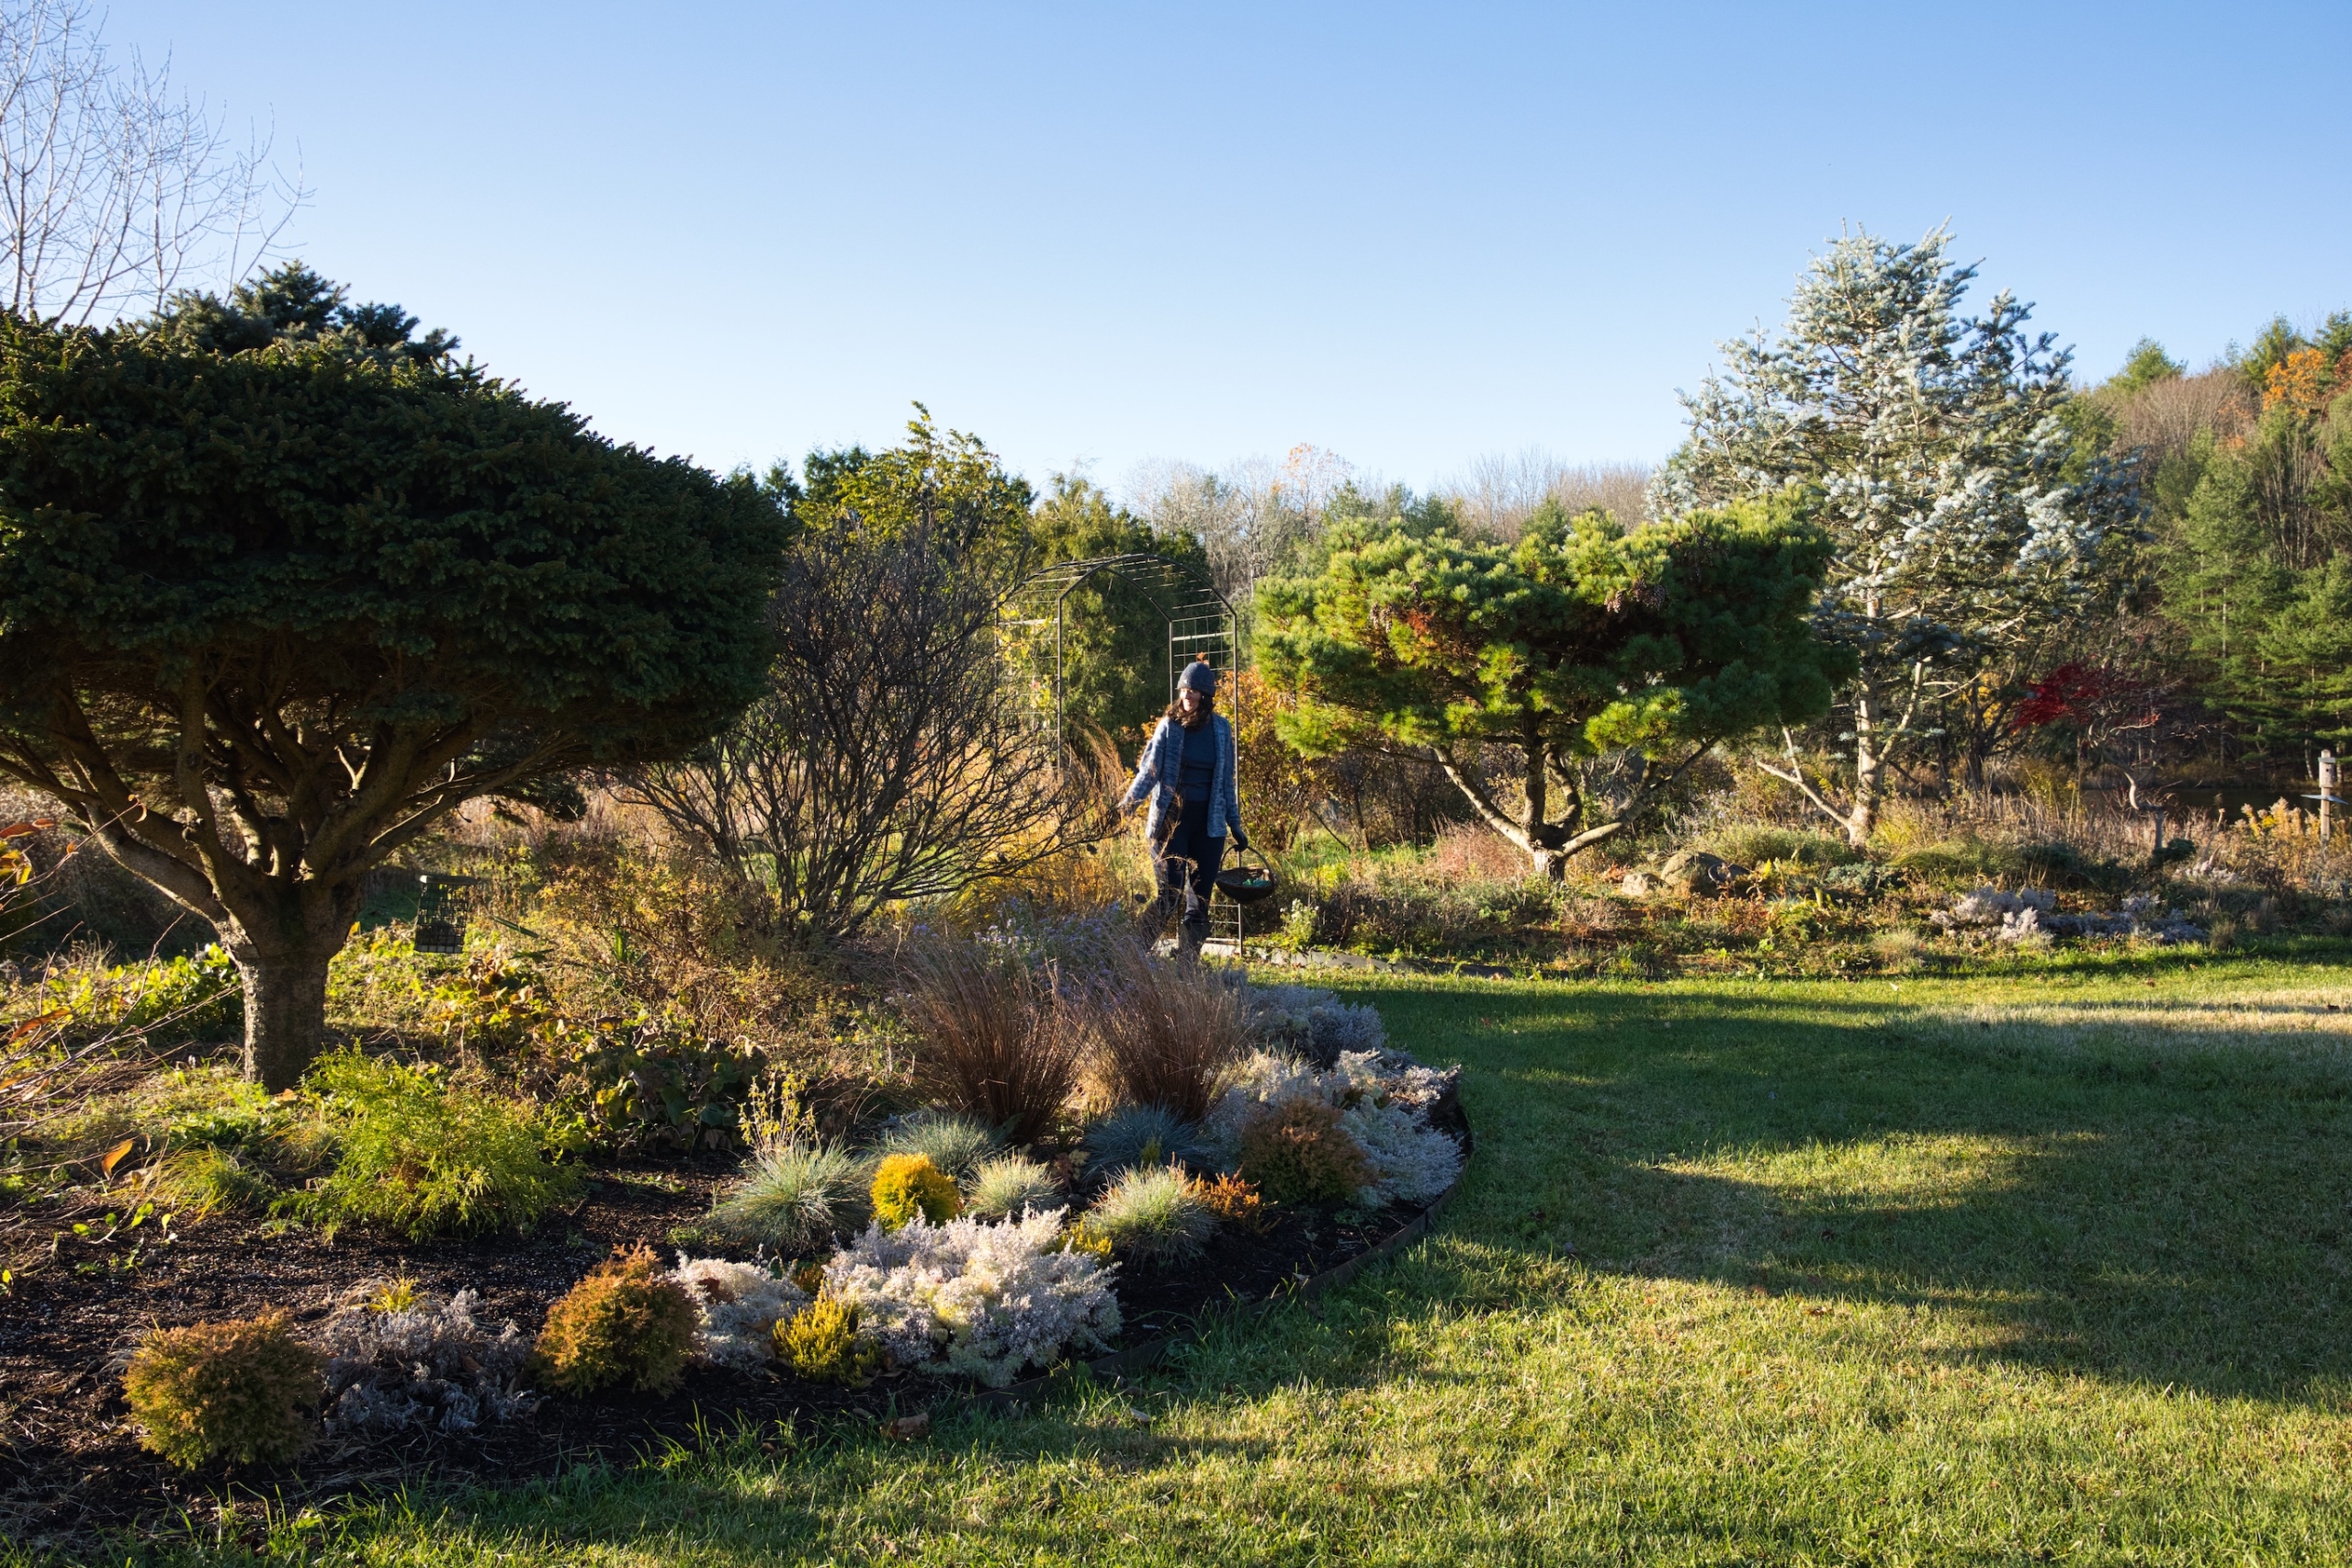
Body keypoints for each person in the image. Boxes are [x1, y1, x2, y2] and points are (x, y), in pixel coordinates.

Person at [1119, 654, 1249, 958]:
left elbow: (1226, 782)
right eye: (1183, 690)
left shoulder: (1221, 729)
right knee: (1170, 895)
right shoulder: (1169, 727)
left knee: (1200, 900)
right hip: (1171, 823)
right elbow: (1149, 773)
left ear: (1206, 695)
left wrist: (1234, 824)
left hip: (1209, 825)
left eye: (1193, 690)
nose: (1187, 696)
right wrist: (1126, 807)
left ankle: (1189, 965)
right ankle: (1132, 958)